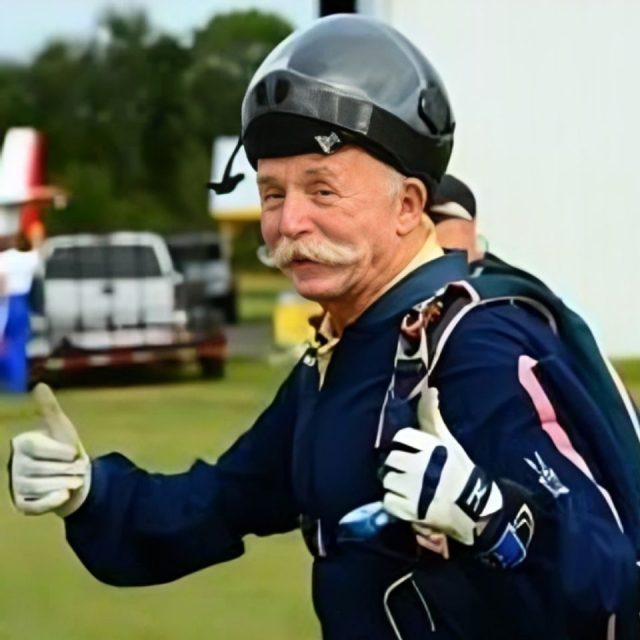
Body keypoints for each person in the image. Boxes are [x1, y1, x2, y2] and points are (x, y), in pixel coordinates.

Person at [8, 15, 639, 640]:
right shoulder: (344, 350)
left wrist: (492, 515)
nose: (290, 224)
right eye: (274, 194)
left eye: (323, 190)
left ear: (409, 206)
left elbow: (605, 575)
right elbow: (223, 500)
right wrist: (89, 493)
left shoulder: (476, 346)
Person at [0, 231, 40, 393]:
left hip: (6, 302)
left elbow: (2, 284)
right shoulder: (27, 259)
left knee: (5, 344)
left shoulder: (2, 259)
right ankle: (18, 385)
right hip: (22, 302)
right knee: (18, 345)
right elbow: (40, 251)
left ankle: (6, 384)